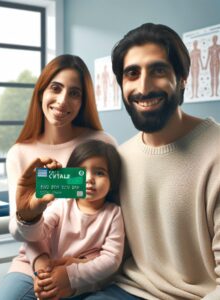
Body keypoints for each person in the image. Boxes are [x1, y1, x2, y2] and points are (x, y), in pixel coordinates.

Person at [105, 23, 219, 299]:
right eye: (132, 74)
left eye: (158, 71)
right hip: (125, 289)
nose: (143, 87)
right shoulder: (121, 157)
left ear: (181, 79)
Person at [0, 54, 118, 299]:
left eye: (74, 93)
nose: (62, 101)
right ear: (41, 92)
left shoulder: (101, 143)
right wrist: (41, 266)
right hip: (33, 262)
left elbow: (114, 214)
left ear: (83, 101)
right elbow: (19, 231)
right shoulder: (19, 153)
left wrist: (74, 272)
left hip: (87, 265)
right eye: (56, 88)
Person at [0, 140, 124, 300]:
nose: (90, 179)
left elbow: (111, 259)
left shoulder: (114, 213)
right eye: (82, 172)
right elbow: (37, 235)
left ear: (112, 182)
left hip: (80, 282)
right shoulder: (61, 204)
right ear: (72, 176)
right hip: (45, 270)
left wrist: (70, 275)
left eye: (100, 173)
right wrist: (44, 274)